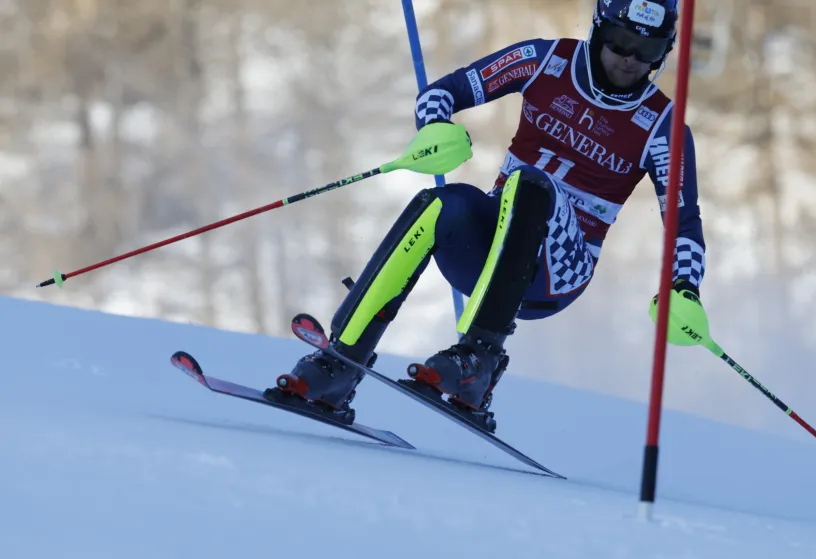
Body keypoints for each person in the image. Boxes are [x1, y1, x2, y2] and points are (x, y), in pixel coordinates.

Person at [265, 0, 708, 432]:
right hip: (489, 250)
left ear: (664, 53)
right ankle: (341, 363)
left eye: (646, 50)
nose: (629, 59)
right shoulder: (547, 59)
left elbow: (684, 223)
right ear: (598, 29)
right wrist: (436, 128)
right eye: (619, 40)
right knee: (445, 204)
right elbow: (442, 92)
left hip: (555, 274)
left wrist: (685, 288)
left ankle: (480, 359)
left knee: (532, 183)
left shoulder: (662, 127)